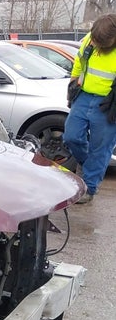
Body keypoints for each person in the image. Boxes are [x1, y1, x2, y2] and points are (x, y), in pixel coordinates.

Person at [64, 13, 116, 204]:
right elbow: (79, 63)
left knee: (100, 148)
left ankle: (89, 187)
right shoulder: (89, 38)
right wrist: (71, 89)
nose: (94, 44)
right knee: (71, 136)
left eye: (99, 43)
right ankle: (87, 165)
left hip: (109, 103)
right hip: (84, 96)